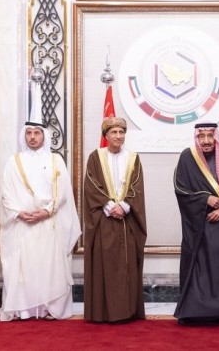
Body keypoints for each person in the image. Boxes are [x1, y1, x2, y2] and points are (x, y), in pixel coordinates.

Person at [0, 122, 81, 320]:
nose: (33, 137)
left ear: (44, 136)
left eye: (37, 133)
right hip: (22, 225)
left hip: (48, 223)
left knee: (49, 266)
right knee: (24, 268)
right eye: (29, 133)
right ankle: (24, 310)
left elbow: (63, 192)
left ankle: (49, 308)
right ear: (24, 136)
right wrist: (18, 213)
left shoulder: (55, 160)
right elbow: (6, 193)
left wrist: (46, 211)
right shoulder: (14, 161)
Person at [173, 122, 219, 325]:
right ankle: (196, 311)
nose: (206, 141)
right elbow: (181, 189)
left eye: (210, 136)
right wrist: (205, 199)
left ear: (216, 137)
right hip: (200, 224)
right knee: (200, 266)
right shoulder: (187, 157)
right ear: (196, 138)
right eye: (202, 136)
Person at [83, 117, 147, 323]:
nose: (118, 136)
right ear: (106, 136)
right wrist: (111, 207)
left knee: (126, 267)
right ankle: (103, 313)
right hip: (105, 219)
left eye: (121, 132)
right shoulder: (95, 157)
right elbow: (91, 185)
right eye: (114, 132)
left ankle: (127, 311)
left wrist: (125, 207)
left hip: (127, 220)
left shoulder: (133, 158)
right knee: (105, 266)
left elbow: (137, 186)